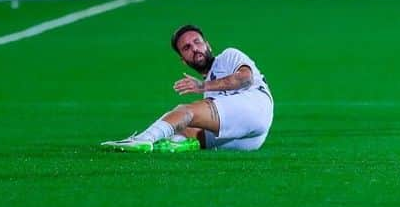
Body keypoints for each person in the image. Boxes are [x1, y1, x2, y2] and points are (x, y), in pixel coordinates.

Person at [100, 25, 274, 153]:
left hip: (257, 106)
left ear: (208, 45)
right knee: (181, 127)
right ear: (183, 60)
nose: (194, 48)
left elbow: (245, 79)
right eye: (187, 48)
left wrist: (203, 85)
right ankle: (178, 142)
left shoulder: (229, 56)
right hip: (249, 140)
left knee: (184, 111)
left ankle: (143, 139)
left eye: (197, 42)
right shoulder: (209, 92)